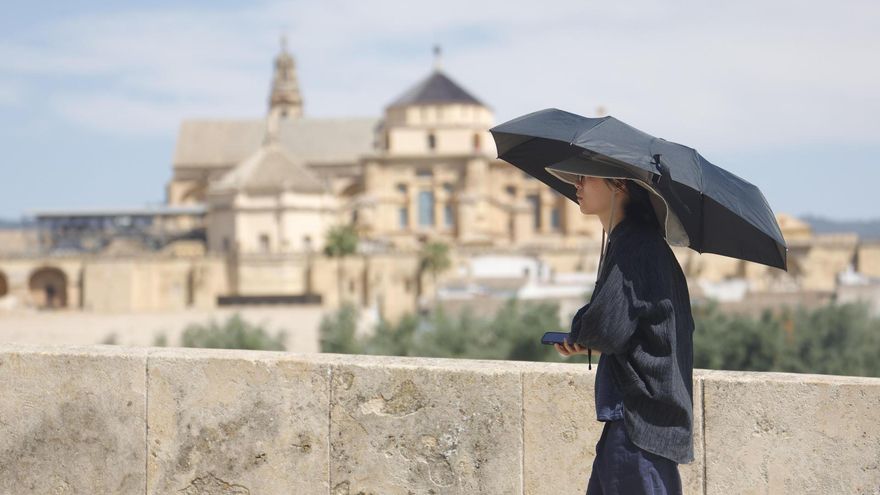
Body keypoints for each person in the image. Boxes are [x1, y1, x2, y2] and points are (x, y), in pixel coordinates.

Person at [553, 173, 695, 495]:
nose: (576, 185)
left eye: (585, 178)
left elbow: (606, 329)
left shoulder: (635, 245)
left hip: (636, 428)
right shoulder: (638, 243)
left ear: (619, 185)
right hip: (641, 425)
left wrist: (582, 329)